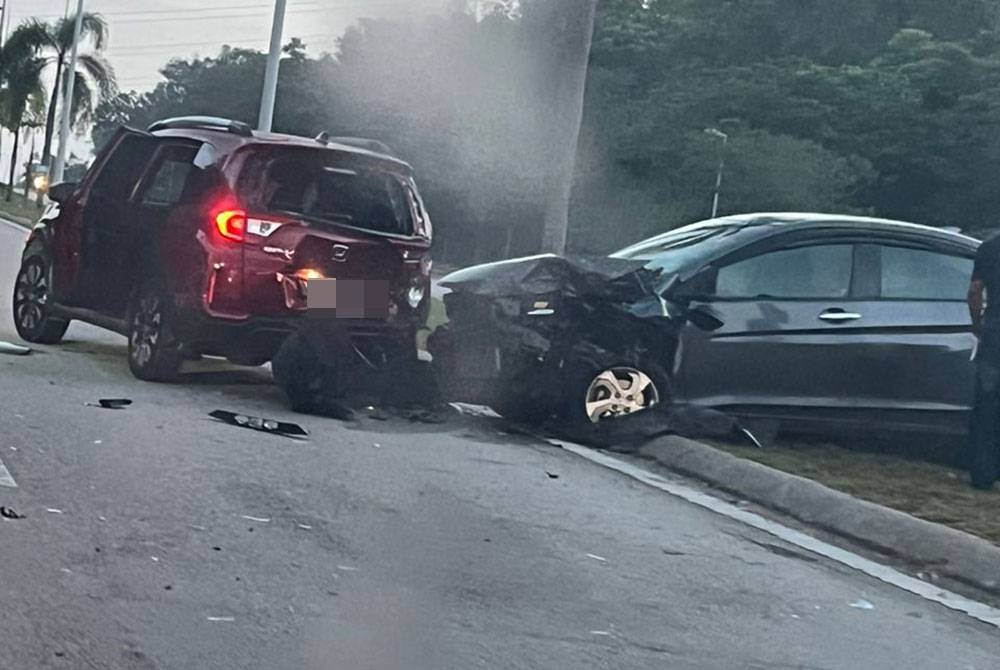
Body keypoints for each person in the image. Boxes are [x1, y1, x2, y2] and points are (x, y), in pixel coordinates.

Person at [967, 234, 1000, 489]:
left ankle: (982, 474)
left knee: (987, 408)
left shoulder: (989, 247)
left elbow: (974, 291)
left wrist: (978, 325)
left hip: (994, 337)